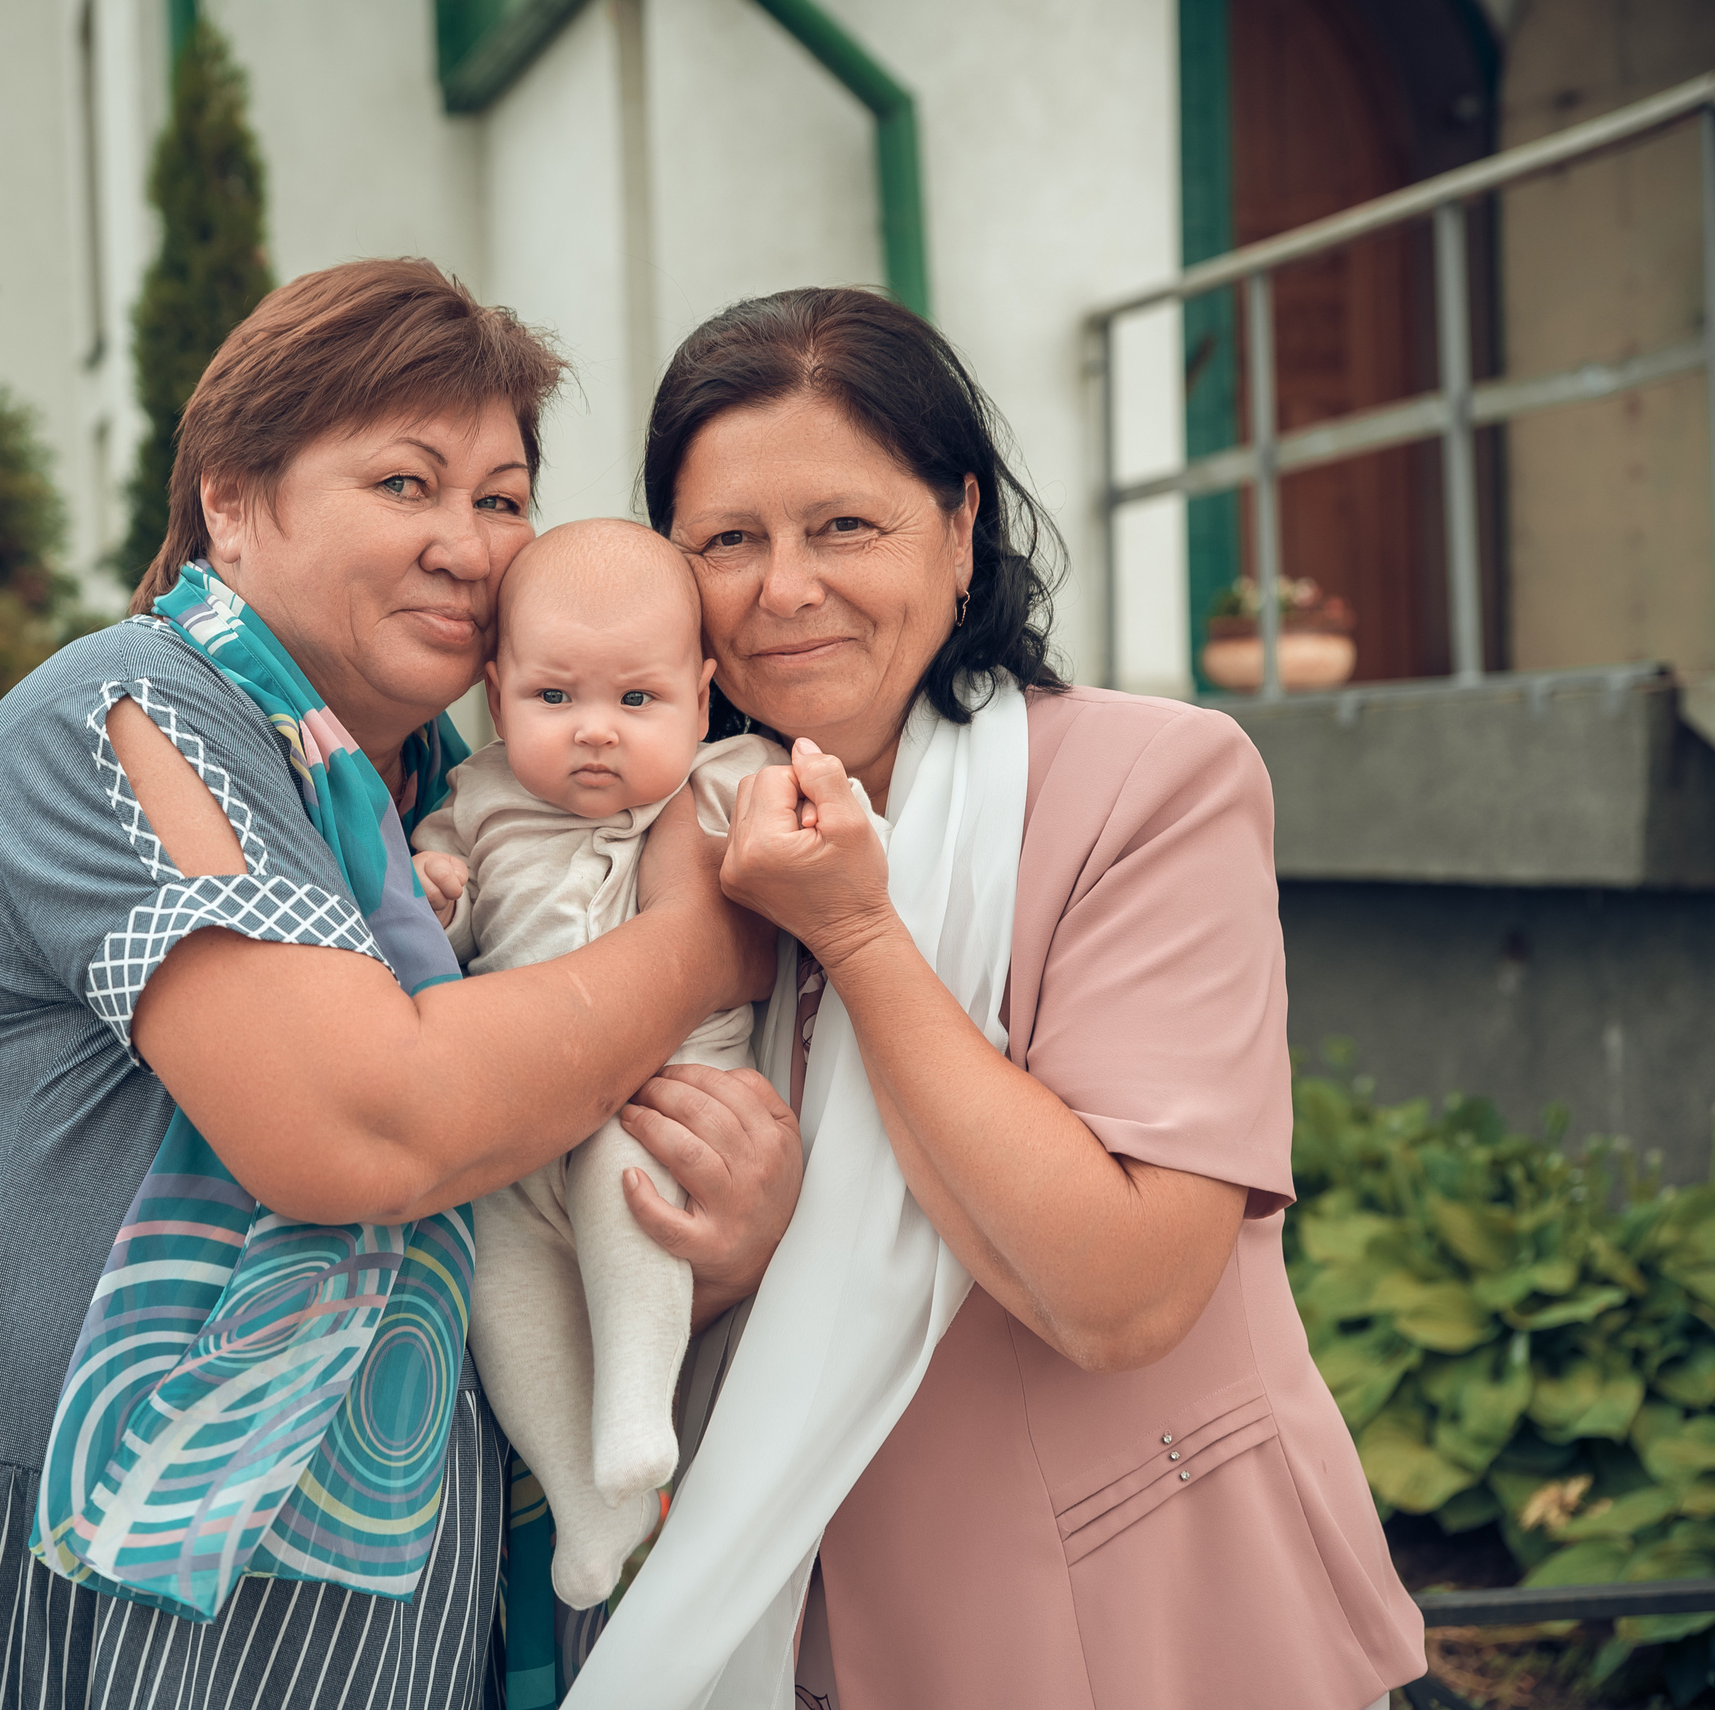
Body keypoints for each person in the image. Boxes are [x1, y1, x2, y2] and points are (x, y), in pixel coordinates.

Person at [0, 258, 802, 1709]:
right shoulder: (128, 718)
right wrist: (702, 943)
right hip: (34, 1532)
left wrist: (723, 1232)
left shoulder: (462, 795)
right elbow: (359, 1126)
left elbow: (535, 1142)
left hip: (345, 1570)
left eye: (503, 498)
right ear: (232, 502)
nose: (469, 545)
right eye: (405, 483)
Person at [561, 288, 1426, 1710]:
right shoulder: (659, 846)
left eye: (845, 525)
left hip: (1145, 1635)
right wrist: (731, 1257)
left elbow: (1121, 1290)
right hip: (814, 1643)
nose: (786, 589)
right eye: (728, 541)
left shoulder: (1151, 788)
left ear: (961, 527)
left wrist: (857, 933)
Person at [410, 518, 783, 1610]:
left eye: (636, 699)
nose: (595, 732)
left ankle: (633, 1411)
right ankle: (585, 1501)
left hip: (657, 1099)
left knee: (631, 1199)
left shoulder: (719, 778)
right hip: (516, 1129)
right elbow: (445, 924)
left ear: (701, 701)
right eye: (553, 696)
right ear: (495, 696)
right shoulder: (476, 800)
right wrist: (439, 893)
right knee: (494, 1280)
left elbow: (823, 843)